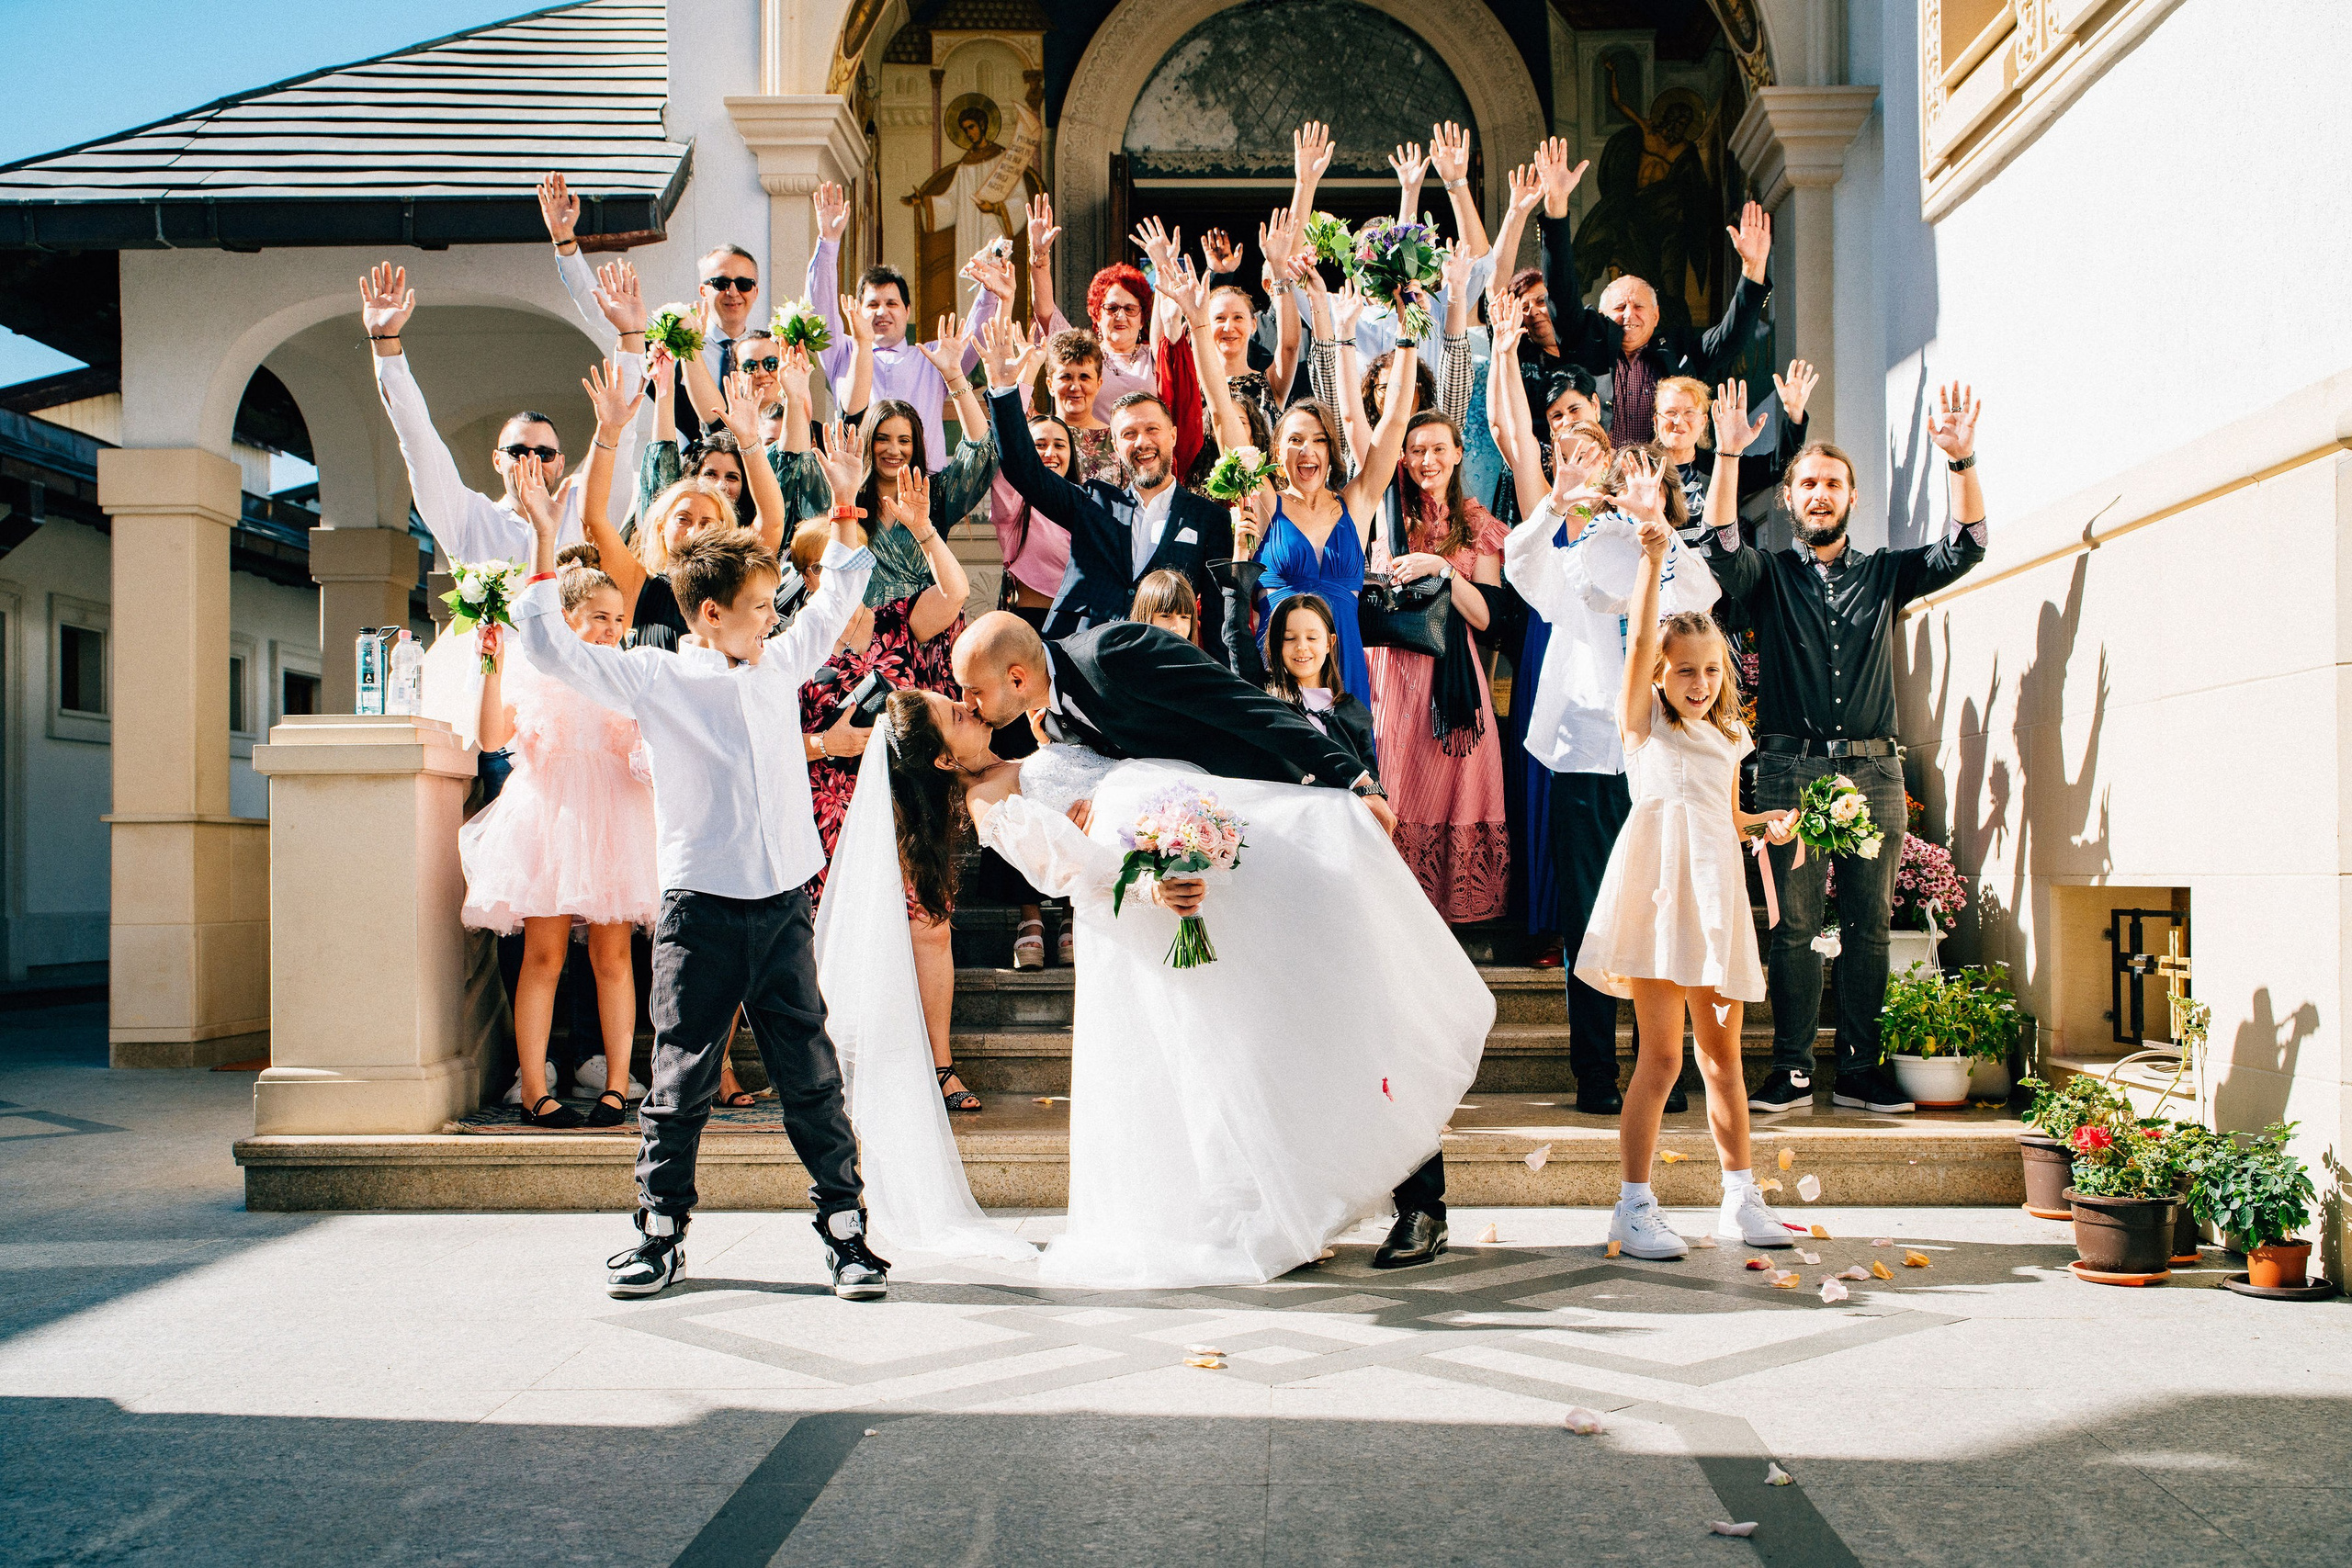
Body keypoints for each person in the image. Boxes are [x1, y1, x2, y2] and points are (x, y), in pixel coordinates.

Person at [914, 612, 1486, 1280]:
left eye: (973, 694)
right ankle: (1293, 1199)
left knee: (1344, 998)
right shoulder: (1047, 725)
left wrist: (1351, 778)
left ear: (1016, 675)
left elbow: (1239, 703)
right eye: (961, 706)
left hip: (1265, 833)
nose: (971, 706)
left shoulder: (1115, 653)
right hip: (1186, 901)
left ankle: (1423, 1202)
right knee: (1253, 1049)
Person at [510, 421, 892, 1303]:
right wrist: (539, 540)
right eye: (761, 606)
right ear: (711, 612)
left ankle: (845, 1228)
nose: (775, 617)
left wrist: (841, 505)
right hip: (701, 911)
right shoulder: (655, 676)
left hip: (782, 904)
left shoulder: (776, 663)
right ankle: (658, 1231)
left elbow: (834, 601)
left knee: (810, 1075)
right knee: (680, 1074)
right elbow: (552, 650)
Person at [1704, 381, 1989, 1116]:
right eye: (1807, 484)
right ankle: (1793, 1069)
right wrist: (1731, 452)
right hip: (1790, 768)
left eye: (1833, 483)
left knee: (1868, 927)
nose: (1820, 494)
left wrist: (1960, 463)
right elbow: (1721, 547)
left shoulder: (1884, 573)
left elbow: (1968, 547)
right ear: (1791, 500)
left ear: (1852, 498)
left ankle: (1861, 1069)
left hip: (1873, 767)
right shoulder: (1769, 576)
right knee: (1794, 926)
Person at [1575, 449, 1800, 1260]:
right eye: (1686, 672)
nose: (1699, 683)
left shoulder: (1728, 734)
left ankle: (1741, 1196)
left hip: (1715, 894)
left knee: (1724, 1056)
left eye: (1711, 671)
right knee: (1662, 1056)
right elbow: (1638, 642)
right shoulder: (1644, 726)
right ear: (1663, 677)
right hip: (1661, 895)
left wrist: (1763, 824)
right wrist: (1654, 553)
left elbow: (1725, 814)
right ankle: (1633, 1205)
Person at [1504, 378, 1721, 1117]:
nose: (1631, 491)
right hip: (1588, 758)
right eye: (1620, 481)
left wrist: (1661, 530)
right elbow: (1518, 564)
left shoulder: (1672, 556)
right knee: (1589, 918)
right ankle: (1595, 1072)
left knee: (1667, 910)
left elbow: (1706, 596)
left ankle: (1665, 1067)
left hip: (1659, 763)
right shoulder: (1579, 554)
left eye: (1644, 480)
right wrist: (1556, 503)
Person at [795, 463, 979, 1114]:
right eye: (818, 566)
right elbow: (758, 737)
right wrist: (827, 744)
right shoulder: (793, 645)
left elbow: (955, 594)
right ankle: (842, 1072)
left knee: (929, 926)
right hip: (829, 804)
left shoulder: (899, 622)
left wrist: (926, 532)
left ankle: (941, 1065)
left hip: (905, 802)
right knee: (843, 934)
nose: (831, 576)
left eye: (842, 561)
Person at [460, 528, 657, 1130]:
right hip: (549, 817)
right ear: (567, 617)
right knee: (542, 956)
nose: (610, 629)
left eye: (618, 619)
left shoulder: (627, 676)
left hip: (612, 818)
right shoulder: (536, 672)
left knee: (613, 955)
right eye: (598, 616)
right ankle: (535, 1090)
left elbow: (647, 749)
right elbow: (493, 738)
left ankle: (618, 1085)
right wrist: (491, 664)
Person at [361, 261, 647, 565]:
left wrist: (631, 335)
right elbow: (418, 441)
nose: (531, 461)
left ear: (561, 464)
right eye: (517, 451)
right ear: (497, 459)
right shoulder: (468, 518)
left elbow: (620, 432)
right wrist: (385, 343)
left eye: (545, 454)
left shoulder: (585, 515)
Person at [977, 315, 1232, 656]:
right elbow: (1025, 473)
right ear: (1115, 442)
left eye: (1152, 430)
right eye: (1129, 434)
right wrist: (1007, 391)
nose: (1142, 442)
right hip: (1083, 666)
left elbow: (1217, 621)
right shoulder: (1093, 502)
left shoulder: (1208, 519)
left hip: (1160, 672)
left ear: (1172, 435)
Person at [1232, 266, 1416, 702]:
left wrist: (1408, 335)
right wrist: (1199, 326)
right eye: (1294, 440)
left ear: (1332, 453)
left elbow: (1394, 422)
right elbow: (1226, 421)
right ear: (1276, 452)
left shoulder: (1357, 503)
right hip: (1278, 675)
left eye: (1318, 441)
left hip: (1345, 668)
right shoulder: (1263, 502)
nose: (1307, 450)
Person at [1367, 410, 1511, 922]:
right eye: (1416, 451)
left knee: (1459, 785)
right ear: (1402, 459)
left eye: (1437, 450)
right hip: (1389, 675)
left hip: (1453, 683)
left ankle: (1455, 915)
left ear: (1456, 454)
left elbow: (1490, 619)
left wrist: (1443, 572)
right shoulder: (1380, 515)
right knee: (1395, 786)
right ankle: (1393, 912)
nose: (1426, 460)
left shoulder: (1479, 526)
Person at [1547, 164, 1777, 447]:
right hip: (1597, 481)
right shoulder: (1583, 344)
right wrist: (1556, 210)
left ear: (1656, 316)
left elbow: (1731, 336)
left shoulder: (1680, 353)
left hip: (1660, 483)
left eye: (1639, 307)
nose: (1629, 315)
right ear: (1602, 315)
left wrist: (1753, 269)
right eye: (1619, 308)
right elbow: (1560, 292)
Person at [807, 180, 999, 471]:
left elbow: (973, 339)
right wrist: (829, 241)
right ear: (858, 311)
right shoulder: (843, 353)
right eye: (872, 304)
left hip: (923, 487)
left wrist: (988, 290)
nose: (881, 312)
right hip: (860, 485)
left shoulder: (932, 357)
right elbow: (820, 309)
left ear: (907, 311)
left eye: (891, 303)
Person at [1216, 589, 1378, 780]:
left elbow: (1371, 786)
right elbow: (1237, 634)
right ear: (1277, 644)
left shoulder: (1354, 712)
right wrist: (1236, 585)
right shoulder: (1263, 696)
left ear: (1329, 643)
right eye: (1290, 638)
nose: (1301, 647)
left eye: (1312, 638)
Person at [1650, 365, 1816, 529]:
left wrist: (1794, 413)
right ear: (1656, 422)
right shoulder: (1641, 470)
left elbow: (1780, 466)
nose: (1678, 421)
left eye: (1689, 413)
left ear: (1703, 422)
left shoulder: (1724, 464)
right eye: (1671, 413)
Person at [1026, 328, 1124, 484]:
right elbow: (1010, 412)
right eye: (1066, 377)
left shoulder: (1117, 441)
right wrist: (1029, 367)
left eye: (1084, 377)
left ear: (1099, 384)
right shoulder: (1033, 432)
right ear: (1050, 385)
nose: (1075, 387)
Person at [1128, 569, 1199, 644]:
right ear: (1144, 616)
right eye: (1165, 616)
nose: (1176, 628)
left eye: (1184, 617)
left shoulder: (1198, 656)